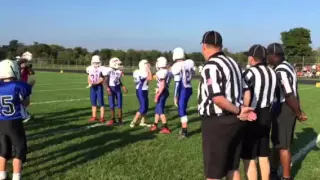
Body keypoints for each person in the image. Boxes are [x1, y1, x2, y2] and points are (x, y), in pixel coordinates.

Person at [197, 30, 256, 180]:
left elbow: (217, 98)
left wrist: (238, 110)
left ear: (204, 46)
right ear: (221, 46)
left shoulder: (211, 66)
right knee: (233, 167)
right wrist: (242, 110)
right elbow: (246, 90)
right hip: (236, 122)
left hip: (218, 122)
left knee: (213, 174)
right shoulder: (234, 63)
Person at [267, 43, 308, 180]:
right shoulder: (287, 66)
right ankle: (273, 170)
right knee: (278, 142)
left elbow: (289, 94)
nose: (267, 58)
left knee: (283, 145)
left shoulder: (281, 71)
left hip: (285, 108)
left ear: (274, 56)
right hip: (286, 107)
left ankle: (286, 176)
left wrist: (298, 113)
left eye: (268, 55)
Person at [241, 44, 277, 180]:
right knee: (263, 154)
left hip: (252, 114)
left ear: (253, 58)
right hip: (267, 114)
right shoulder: (272, 72)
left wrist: (243, 110)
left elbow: (246, 95)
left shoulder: (249, 73)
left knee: (249, 156)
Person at [0, 59, 32, 180]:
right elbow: (26, 103)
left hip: (1, 122)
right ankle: (16, 177)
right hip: (14, 122)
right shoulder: (19, 85)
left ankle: (1, 175)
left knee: (3, 150)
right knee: (20, 150)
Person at [171, 47, 195, 138]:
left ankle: (185, 132)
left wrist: (175, 96)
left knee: (181, 110)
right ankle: (183, 128)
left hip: (183, 89)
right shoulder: (189, 63)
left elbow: (177, 83)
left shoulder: (177, 66)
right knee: (183, 109)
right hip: (189, 88)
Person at [150, 57, 173, 134]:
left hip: (162, 91)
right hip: (164, 91)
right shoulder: (168, 71)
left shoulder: (161, 72)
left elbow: (162, 86)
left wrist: (157, 95)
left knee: (160, 111)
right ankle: (155, 125)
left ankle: (166, 128)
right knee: (157, 110)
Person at [104, 57, 128, 126]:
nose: (119, 65)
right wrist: (107, 89)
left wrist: (123, 86)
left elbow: (118, 80)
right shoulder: (109, 70)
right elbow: (105, 81)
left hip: (117, 89)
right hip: (111, 89)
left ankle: (120, 120)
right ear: (113, 64)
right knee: (112, 105)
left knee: (119, 105)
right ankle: (113, 119)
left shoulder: (118, 71)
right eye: (118, 64)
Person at [130, 59, 153, 127]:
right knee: (143, 107)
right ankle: (133, 121)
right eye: (146, 64)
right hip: (141, 90)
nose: (148, 65)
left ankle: (143, 122)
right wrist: (148, 70)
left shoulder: (137, 71)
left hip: (142, 90)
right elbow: (150, 78)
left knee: (145, 107)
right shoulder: (143, 72)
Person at [86, 55, 105, 123]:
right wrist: (90, 83)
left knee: (101, 102)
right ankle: (94, 116)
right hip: (92, 87)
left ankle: (102, 117)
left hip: (99, 86)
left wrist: (96, 83)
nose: (96, 64)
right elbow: (88, 77)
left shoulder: (102, 68)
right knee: (93, 102)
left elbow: (102, 79)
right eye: (95, 62)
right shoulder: (89, 68)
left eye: (97, 62)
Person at [17, 52, 35, 123]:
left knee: (26, 102)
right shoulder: (16, 69)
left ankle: (25, 114)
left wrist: (30, 68)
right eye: (23, 62)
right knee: (20, 101)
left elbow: (32, 73)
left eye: (26, 62)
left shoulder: (26, 68)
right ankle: (25, 116)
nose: (25, 64)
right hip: (19, 87)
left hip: (25, 87)